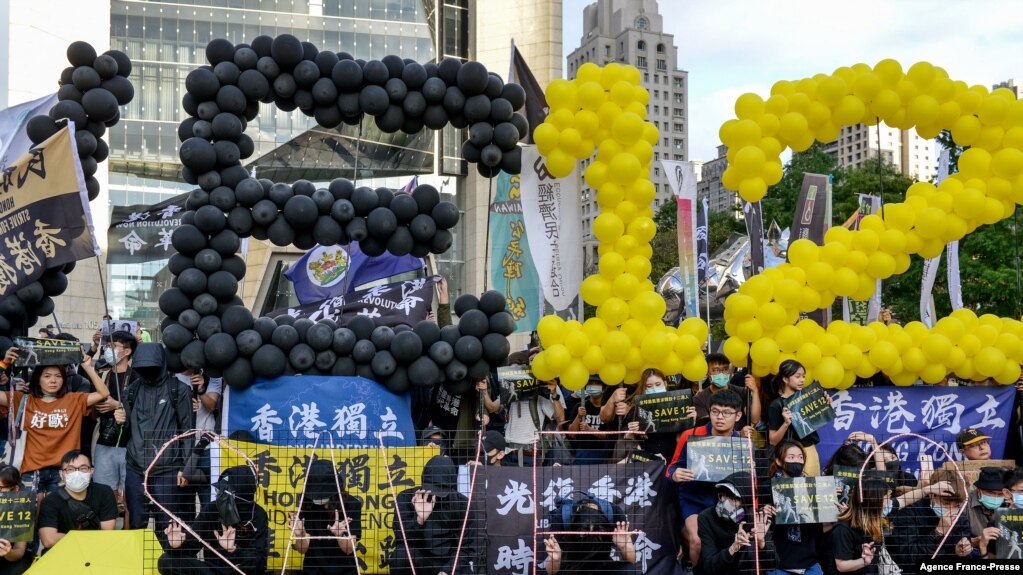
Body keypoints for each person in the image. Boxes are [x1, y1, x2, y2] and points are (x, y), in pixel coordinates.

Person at [0, 349, 109, 495]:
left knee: (58, 516)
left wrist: (88, 367)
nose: (53, 380)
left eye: (58, 376)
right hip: (31, 471)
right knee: (31, 516)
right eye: (47, 376)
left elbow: (103, 393)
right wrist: (4, 363)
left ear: (64, 379)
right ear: (38, 379)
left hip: (63, 471)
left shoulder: (74, 399)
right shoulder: (23, 400)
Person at [116, 343, 194, 534]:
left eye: (152, 367)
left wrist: (187, 467)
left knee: (168, 524)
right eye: (142, 367)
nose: (147, 371)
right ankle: (136, 561)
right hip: (135, 467)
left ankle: (166, 561)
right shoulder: (132, 391)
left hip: (168, 468)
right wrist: (120, 421)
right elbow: (126, 432)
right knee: (136, 521)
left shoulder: (179, 390)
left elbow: (188, 431)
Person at [667, 389, 749, 567]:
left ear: (738, 416)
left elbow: (748, 480)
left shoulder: (742, 442)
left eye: (726, 413)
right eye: (715, 411)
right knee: (696, 541)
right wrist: (675, 474)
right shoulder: (691, 435)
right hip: (693, 497)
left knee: (732, 540)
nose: (720, 417)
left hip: (726, 501)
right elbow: (671, 468)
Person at [159, 465, 269, 575]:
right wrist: (176, 546)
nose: (219, 496)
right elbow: (191, 546)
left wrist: (234, 550)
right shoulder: (212, 510)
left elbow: (260, 564)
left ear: (241, 495)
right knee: (166, 561)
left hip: (240, 571)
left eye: (225, 493)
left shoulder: (258, 516)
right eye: (219, 491)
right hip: (212, 571)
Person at [390, 455, 478, 575]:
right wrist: (419, 519)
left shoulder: (462, 504)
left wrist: (448, 570)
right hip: (420, 558)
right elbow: (401, 539)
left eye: (440, 491)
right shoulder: (405, 498)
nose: (435, 495)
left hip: (448, 561)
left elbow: (466, 548)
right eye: (431, 489)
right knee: (399, 556)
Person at [888, 469, 973, 574]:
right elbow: (907, 556)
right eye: (946, 503)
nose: (951, 509)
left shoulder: (960, 514)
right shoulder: (909, 511)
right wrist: (938, 533)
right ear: (932, 495)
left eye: (956, 505)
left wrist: (961, 551)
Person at [91, 330, 136, 520]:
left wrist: (118, 405)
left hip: (131, 444)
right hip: (104, 441)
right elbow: (91, 409)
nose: (108, 351)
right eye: (107, 346)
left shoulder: (137, 377)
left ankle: (128, 533)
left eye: (113, 347)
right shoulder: (102, 376)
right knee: (104, 494)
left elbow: (142, 411)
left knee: (130, 497)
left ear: (127, 351)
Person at [289, 459, 362, 574]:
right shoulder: (307, 504)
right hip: (313, 571)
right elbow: (302, 550)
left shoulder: (351, 505)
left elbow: (348, 550)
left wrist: (340, 535)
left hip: (344, 571)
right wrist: (300, 535)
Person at [694, 471, 773, 575]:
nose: (724, 501)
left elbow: (772, 564)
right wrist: (733, 549)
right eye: (723, 495)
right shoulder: (706, 517)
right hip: (718, 572)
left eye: (732, 498)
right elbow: (709, 565)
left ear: (745, 501)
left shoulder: (758, 518)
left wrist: (761, 543)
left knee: (752, 548)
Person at [37, 450, 117, 551]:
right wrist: (88, 538)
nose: (77, 474)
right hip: (63, 553)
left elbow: (107, 531)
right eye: (70, 469)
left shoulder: (104, 492)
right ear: (62, 474)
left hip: (96, 551)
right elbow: (48, 540)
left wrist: (69, 537)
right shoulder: (50, 501)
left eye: (83, 468)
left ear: (91, 471)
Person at [769, 440, 827, 575]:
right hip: (780, 564)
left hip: (810, 563)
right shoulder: (768, 488)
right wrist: (767, 512)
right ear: (779, 461)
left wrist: (833, 509)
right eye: (791, 457)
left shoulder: (814, 488)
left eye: (801, 457)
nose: (797, 461)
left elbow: (820, 527)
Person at [504, 349, 568, 466]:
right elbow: (494, 407)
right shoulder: (510, 386)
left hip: (531, 451)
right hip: (509, 451)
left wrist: (554, 394)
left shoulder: (544, 386)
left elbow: (561, 418)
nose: (534, 364)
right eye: (532, 360)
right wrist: (484, 390)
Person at [544, 495, 636, 574]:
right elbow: (550, 572)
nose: (590, 534)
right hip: (572, 567)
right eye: (584, 533)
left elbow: (631, 561)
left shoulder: (614, 514)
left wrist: (624, 547)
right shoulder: (561, 519)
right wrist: (555, 560)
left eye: (597, 532)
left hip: (603, 565)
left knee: (630, 571)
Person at [767, 359, 827, 476]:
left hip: (809, 451)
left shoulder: (807, 399)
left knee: (812, 491)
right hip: (789, 456)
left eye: (803, 376)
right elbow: (772, 440)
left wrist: (824, 407)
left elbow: (815, 426)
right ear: (785, 379)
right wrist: (785, 423)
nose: (802, 380)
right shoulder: (777, 405)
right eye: (797, 376)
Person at [176, 367, 222, 507]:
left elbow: (212, 405)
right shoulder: (172, 376)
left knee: (208, 502)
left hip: (205, 449)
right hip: (181, 448)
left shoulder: (212, 376)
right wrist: (185, 406)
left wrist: (201, 390)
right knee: (182, 504)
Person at [830, 479, 892, 575]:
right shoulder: (843, 529)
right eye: (887, 498)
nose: (889, 502)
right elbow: (842, 566)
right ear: (874, 500)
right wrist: (864, 561)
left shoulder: (876, 522)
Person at [692, 354, 760, 432]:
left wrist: (755, 391)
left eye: (725, 369)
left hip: (740, 442)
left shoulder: (742, 392)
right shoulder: (699, 398)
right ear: (707, 373)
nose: (721, 374)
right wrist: (738, 434)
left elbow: (755, 419)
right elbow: (709, 427)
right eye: (716, 370)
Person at [568, 378, 613, 464]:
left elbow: (610, 436)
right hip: (583, 453)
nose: (593, 387)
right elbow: (572, 434)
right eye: (590, 384)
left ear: (603, 388)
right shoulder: (580, 406)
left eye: (596, 384)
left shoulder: (608, 409)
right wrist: (579, 416)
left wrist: (589, 429)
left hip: (604, 452)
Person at [968, 467, 1010, 556]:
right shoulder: (965, 504)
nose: (995, 497)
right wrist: (975, 542)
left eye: (1000, 494)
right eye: (990, 493)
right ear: (978, 490)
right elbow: (954, 541)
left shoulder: (1010, 503)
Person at [0, 465, 32, 575]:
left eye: (0, 488)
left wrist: (8, 552)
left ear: (15, 489)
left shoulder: (23, 508)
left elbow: (19, 551)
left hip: (9, 559)